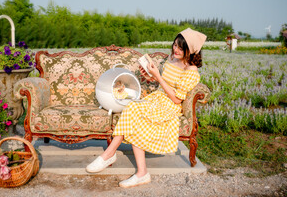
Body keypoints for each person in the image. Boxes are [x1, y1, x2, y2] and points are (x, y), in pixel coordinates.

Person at [86, 28, 207, 188]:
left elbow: (177, 99)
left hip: (168, 106)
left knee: (133, 110)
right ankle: (137, 170)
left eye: (180, 48)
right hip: (157, 98)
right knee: (133, 108)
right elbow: (164, 83)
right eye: (175, 45)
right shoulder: (172, 58)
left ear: (190, 51)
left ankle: (111, 155)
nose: (175, 50)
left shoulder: (191, 71)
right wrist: (150, 75)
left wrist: (157, 76)